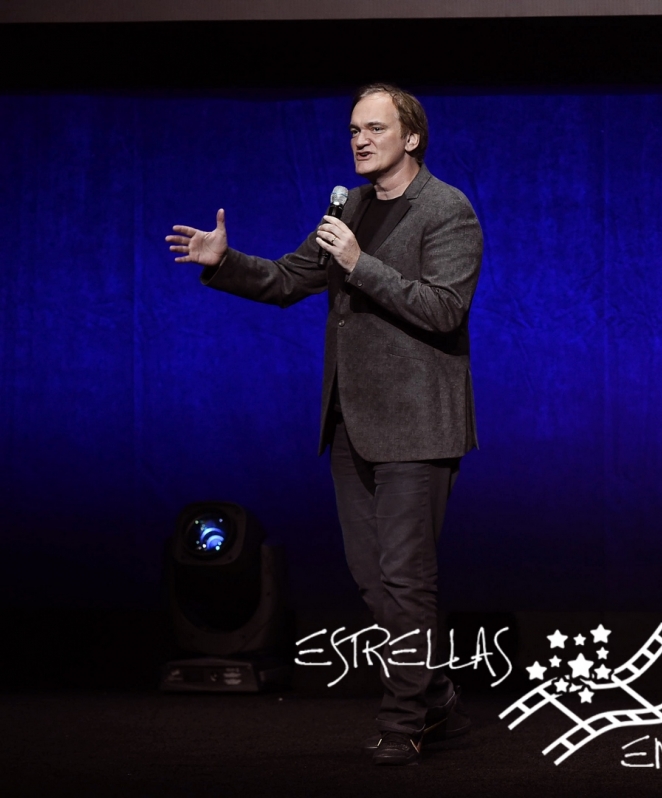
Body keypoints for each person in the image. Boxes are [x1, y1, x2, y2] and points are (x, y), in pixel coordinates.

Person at [167, 83, 483, 766]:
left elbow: (442, 310)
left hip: (418, 428)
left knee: (408, 580)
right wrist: (225, 262)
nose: (361, 140)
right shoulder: (351, 208)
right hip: (350, 427)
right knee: (373, 581)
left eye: (375, 128)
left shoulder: (447, 211)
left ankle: (406, 722)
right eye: (353, 130)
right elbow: (286, 280)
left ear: (412, 137)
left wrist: (357, 264)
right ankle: (441, 703)